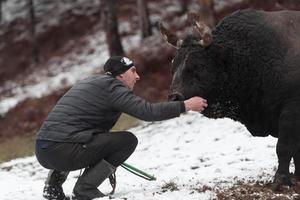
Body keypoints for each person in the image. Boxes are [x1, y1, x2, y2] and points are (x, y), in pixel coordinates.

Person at [35, 56, 208, 200]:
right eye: (133, 71)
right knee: (127, 141)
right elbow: (148, 112)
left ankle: (53, 186)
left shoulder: (91, 82)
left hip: (43, 151)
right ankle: (85, 190)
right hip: (65, 151)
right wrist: (185, 105)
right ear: (120, 75)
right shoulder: (113, 88)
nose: (138, 76)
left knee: (73, 135)